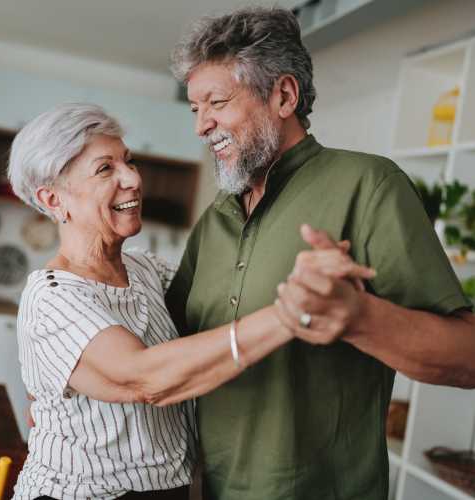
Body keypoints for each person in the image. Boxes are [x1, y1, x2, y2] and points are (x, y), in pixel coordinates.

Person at [168, 7, 475, 500]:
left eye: (217, 102)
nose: (202, 126)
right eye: (194, 109)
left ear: (284, 95)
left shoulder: (370, 185)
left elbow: (468, 357)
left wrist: (359, 317)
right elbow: (170, 347)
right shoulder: (217, 218)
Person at [8, 103, 372, 500]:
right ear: (53, 199)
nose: (132, 178)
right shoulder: (52, 296)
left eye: (128, 161)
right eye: (105, 169)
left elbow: (223, 312)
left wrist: (314, 280)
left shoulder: (147, 271)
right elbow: (144, 377)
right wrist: (288, 313)